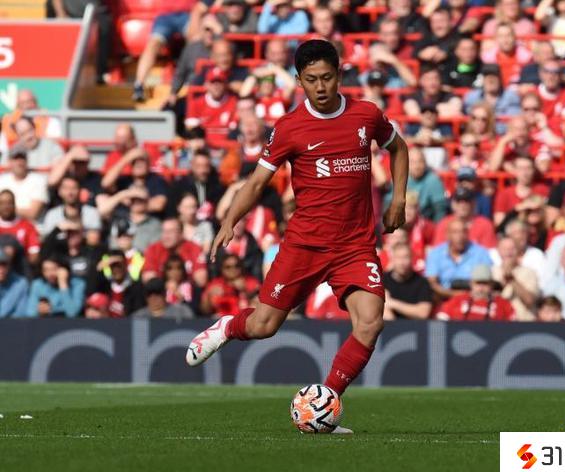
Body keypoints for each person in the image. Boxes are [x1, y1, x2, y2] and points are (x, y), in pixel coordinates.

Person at [186, 40, 409, 433]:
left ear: (339, 74)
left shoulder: (366, 115)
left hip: (354, 246)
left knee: (371, 323)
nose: (320, 87)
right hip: (304, 244)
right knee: (263, 326)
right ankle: (227, 327)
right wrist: (230, 220)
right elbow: (257, 183)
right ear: (299, 81)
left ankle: (323, 404)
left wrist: (398, 199)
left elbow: (399, 148)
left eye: (327, 77)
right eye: (311, 80)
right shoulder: (290, 127)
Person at [426, 219, 492, 300]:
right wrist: (455, 295)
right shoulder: (436, 254)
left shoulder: (481, 253)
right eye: (455, 232)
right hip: (443, 298)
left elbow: (485, 282)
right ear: (447, 235)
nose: (460, 236)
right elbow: (432, 283)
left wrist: (466, 296)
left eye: (463, 232)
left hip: (474, 299)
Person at [385, 147, 445, 222]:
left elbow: (440, 210)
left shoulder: (433, 180)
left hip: (424, 222)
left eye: (420, 161)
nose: (417, 166)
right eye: (413, 162)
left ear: (425, 163)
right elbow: (388, 204)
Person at [142, 218, 208, 287]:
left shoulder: (193, 248)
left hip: (189, 289)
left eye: (170, 232)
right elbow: (148, 278)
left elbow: (201, 280)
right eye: (163, 231)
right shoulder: (154, 249)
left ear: (181, 234)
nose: (166, 236)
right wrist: (168, 286)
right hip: (161, 290)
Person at [438, 265, 515, 321]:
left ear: (491, 285)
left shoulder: (502, 304)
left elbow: (514, 326)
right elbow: (441, 320)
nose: (481, 288)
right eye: (478, 283)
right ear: (471, 283)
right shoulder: (457, 300)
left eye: (485, 283)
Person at [491, 237, 540, 320]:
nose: (508, 252)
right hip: (497, 322)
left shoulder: (529, 272)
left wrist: (512, 280)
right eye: (504, 249)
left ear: (519, 251)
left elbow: (530, 301)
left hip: (522, 321)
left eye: (512, 249)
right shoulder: (492, 272)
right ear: (498, 251)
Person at [432, 187, 497, 249]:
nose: (462, 205)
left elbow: (490, 251)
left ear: (473, 204)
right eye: (458, 201)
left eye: (466, 201)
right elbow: (438, 251)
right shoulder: (444, 224)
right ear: (453, 204)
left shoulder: (485, 225)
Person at [382, 242, 433, 320]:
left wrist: (392, 303)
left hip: (415, 325)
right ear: (392, 259)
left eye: (406, 257)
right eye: (398, 257)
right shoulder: (382, 280)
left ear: (412, 258)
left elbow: (423, 313)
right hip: (388, 325)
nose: (402, 262)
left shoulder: (422, 282)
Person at [0, 146, 49, 221]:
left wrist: (4, 208)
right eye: (15, 159)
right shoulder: (2, 180)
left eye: (22, 158)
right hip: (5, 224)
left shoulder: (38, 180)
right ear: (9, 162)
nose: (19, 162)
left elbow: (32, 213)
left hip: (31, 226)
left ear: (27, 161)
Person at [95, 250, 145, 318]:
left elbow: (138, 312)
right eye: (113, 266)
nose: (116, 269)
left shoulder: (136, 288)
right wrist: (104, 263)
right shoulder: (105, 286)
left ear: (125, 265)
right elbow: (92, 284)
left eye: (119, 266)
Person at [0, 190, 41, 267]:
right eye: (2, 203)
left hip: (20, 269)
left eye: (9, 203)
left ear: (14, 205)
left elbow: (34, 255)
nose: (6, 207)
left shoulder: (27, 226)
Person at [130, 278, 195, 321]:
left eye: (157, 293)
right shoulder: (137, 317)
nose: (153, 298)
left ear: (164, 294)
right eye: (149, 294)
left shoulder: (182, 312)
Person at [0, 248, 29, 317]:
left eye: (4, 264)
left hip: (11, 323)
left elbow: (21, 313)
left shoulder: (20, 283)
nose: (1, 269)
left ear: (9, 266)